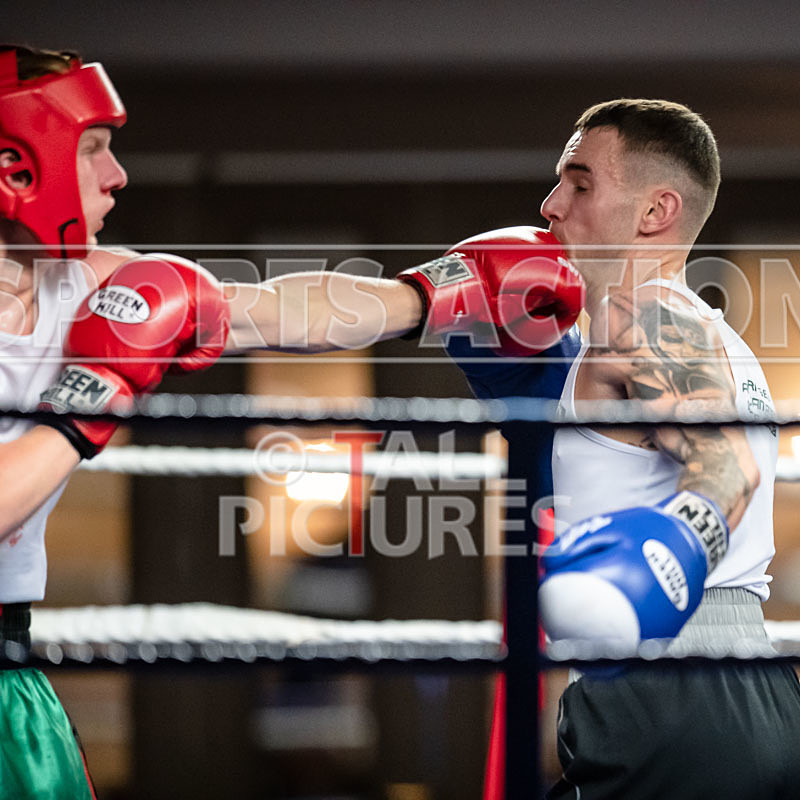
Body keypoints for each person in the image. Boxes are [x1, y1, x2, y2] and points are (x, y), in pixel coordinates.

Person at [0, 45, 583, 796]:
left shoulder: (91, 283)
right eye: (93, 148)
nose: (116, 175)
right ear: (17, 166)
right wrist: (93, 392)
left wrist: (439, 289)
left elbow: (280, 310)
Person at [469, 99, 800, 799]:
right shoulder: (704, 332)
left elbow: (726, 462)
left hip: (672, 682)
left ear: (655, 211)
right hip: (750, 683)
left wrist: (671, 548)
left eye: (580, 183)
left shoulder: (642, 316)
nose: (551, 204)